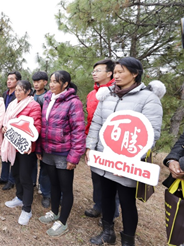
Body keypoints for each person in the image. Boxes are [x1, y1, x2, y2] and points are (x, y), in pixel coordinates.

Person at [86, 57, 163, 246]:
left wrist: (128, 161)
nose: (117, 75)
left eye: (121, 72)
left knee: (127, 202)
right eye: (116, 72)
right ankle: (107, 233)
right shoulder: (108, 95)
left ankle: (128, 239)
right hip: (104, 158)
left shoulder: (148, 99)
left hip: (128, 162)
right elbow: (96, 123)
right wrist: (90, 146)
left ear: (135, 73)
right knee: (106, 196)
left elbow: (151, 134)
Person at [36, 71, 85, 236]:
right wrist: (39, 148)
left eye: (55, 82)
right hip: (48, 150)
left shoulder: (73, 103)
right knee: (53, 184)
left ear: (65, 84)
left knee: (66, 188)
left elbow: (79, 132)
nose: (51, 85)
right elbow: (42, 125)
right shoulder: (48, 98)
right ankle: (54, 211)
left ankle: (62, 222)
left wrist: (74, 156)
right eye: (50, 81)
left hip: (64, 153)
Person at [3, 80, 41, 225]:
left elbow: (36, 127)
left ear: (28, 92)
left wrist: (30, 143)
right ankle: (19, 198)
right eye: (16, 90)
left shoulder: (33, 105)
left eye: (20, 90)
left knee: (25, 177)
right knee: (16, 173)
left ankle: (27, 209)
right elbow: (7, 123)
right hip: (13, 145)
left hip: (25, 147)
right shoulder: (13, 104)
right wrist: (5, 129)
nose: (17, 93)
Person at [84, 59, 118, 219]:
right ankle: (98, 205)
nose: (94, 73)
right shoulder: (92, 94)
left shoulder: (117, 92)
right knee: (96, 176)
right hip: (94, 140)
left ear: (109, 73)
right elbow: (92, 120)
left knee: (112, 179)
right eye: (93, 71)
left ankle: (111, 212)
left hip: (113, 142)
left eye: (98, 70)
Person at [31, 71, 51, 209]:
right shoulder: (30, 95)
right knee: (30, 162)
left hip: (44, 134)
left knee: (44, 165)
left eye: (39, 81)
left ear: (45, 82)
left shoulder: (49, 96)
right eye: (34, 81)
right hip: (29, 134)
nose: (36, 84)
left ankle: (46, 193)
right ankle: (32, 183)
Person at [0, 71, 21, 191]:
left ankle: (11, 180)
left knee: (12, 154)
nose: (9, 81)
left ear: (17, 81)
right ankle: (3, 177)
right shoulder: (5, 94)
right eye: (8, 79)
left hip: (13, 129)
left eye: (12, 79)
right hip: (4, 128)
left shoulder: (18, 96)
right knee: (5, 152)